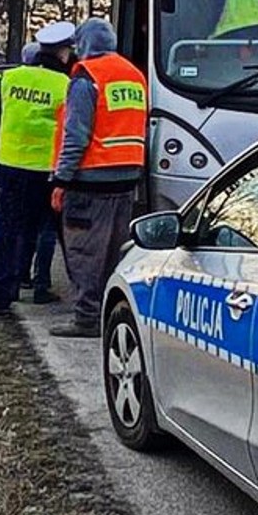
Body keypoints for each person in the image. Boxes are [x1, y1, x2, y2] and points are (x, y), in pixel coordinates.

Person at [49, 17, 149, 338]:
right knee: (113, 252)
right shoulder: (135, 76)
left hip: (90, 180)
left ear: (84, 44)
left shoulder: (86, 79)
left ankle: (85, 318)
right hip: (127, 178)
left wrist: (61, 180)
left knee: (84, 252)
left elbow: (76, 136)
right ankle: (109, 315)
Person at [0, 24, 74, 315]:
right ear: (62, 52)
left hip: (10, 166)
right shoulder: (65, 85)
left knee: (9, 228)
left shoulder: (10, 78)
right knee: (45, 229)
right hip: (46, 171)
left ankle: (2, 293)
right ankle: (40, 285)